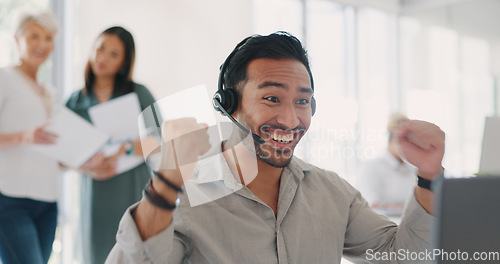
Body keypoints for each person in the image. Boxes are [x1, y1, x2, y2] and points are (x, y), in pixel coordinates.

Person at [106, 32, 445, 263]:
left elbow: (402, 254)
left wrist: (428, 175)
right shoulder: (183, 196)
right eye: (271, 98)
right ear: (229, 106)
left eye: (302, 101)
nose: (290, 118)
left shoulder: (333, 194)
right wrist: (166, 183)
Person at [65, 26, 157, 264]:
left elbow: (159, 141)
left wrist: (124, 148)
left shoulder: (139, 94)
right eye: (100, 48)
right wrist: (87, 167)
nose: (102, 57)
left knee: (135, 254)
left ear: (124, 63)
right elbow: (62, 157)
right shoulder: (75, 102)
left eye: (114, 54)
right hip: (95, 198)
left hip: (133, 192)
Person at [0, 10, 60, 264]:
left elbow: (52, 147)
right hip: (11, 199)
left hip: (48, 201)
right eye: (34, 36)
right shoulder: (4, 79)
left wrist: (85, 162)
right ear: (17, 39)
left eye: (48, 38)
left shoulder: (51, 93)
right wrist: (24, 137)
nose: (42, 44)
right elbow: (30, 138)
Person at [356, 113, 416, 217]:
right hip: (386, 226)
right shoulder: (372, 167)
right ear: (390, 136)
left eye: (409, 137)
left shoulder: (414, 168)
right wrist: (411, 209)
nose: (405, 142)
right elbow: (372, 205)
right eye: (401, 137)